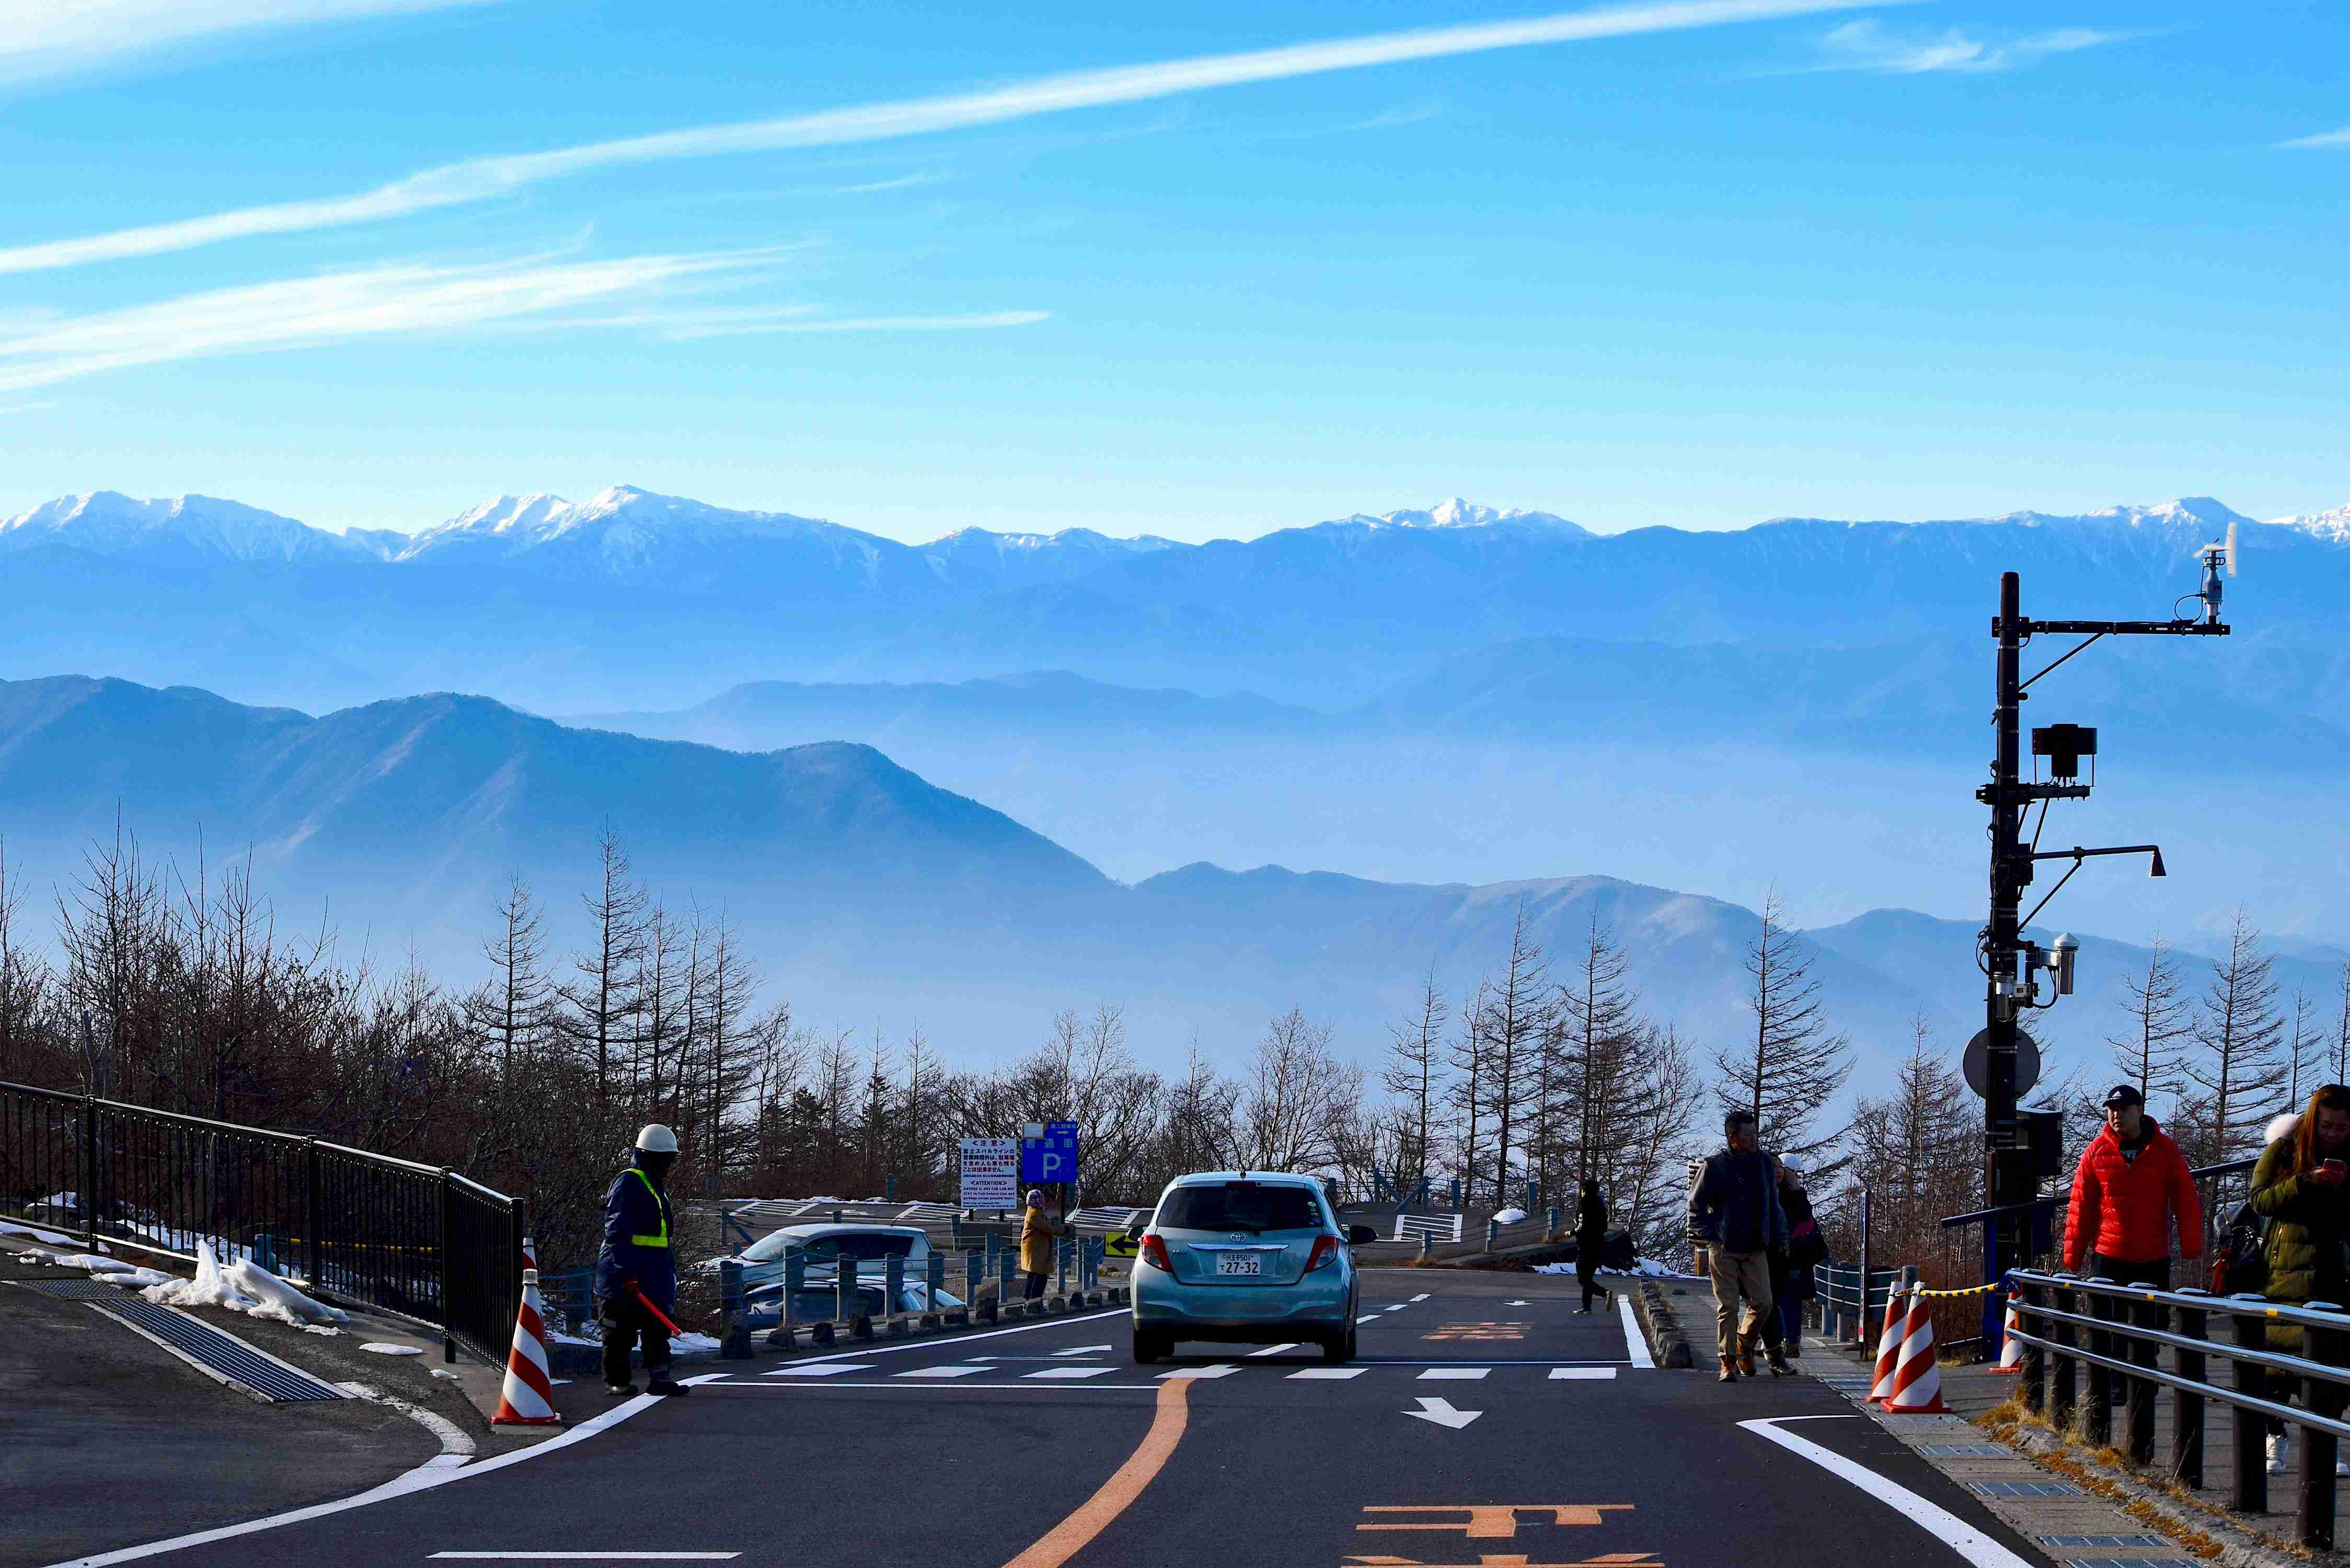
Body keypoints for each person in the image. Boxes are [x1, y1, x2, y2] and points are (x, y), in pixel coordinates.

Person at [2252, 1085, 2350, 1476]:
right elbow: (2260, 1199)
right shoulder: (2284, 1149)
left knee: (2331, 1364)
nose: (2334, 1135)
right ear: (2313, 1120)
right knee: (2279, 1363)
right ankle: (2275, 1435)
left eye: (2343, 1128)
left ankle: (2326, 1443)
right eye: (2328, 1126)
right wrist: (2305, 1181)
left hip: (2335, 1271)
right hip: (2284, 1269)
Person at [2063, 1084, 2203, 1290]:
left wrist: (2191, 1247)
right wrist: (2072, 1257)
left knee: (2152, 1321)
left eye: (2124, 1109)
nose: (2117, 1114)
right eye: (2112, 1109)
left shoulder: (2164, 1150)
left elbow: (2186, 1200)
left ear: (2139, 1111)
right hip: (2108, 1257)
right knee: (2106, 1322)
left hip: (2152, 1258)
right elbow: (2081, 1206)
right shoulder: (2096, 1151)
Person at [1689, 1109, 1788, 1382]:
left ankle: (1744, 1342)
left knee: (1764, 1303)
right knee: (1728, 1307)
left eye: (1755, 1133)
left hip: (1756, 1247)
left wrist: (1780, 1237)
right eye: (1748, 1134)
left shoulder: (1765, 1163)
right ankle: (1728, 1361)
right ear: (1734, 1138)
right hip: (1723, 1247)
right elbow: (1695, 1206)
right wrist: (1712, 1235)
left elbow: (1774, 1205)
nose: (1754, 1138)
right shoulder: (1715, 1165)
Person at [597, 1123, 687, 1398]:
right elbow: (617, 1231)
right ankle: (618, 1381)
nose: (670, 1166)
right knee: (618, 1331)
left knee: (657, 1328)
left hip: (653, 1275)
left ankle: (660, 1378)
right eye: (667, 1159)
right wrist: (626, 1272)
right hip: (624, 1275)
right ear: (654, 1157)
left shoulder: (653, 1185)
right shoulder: (629, 1183)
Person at [1764, 1152, 1827, 1361]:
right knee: (1778, 1300)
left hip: (1791, 1257)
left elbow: (1803, 1215)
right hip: (1787, 1256)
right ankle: (1782, 1341)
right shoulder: (1780, 1194)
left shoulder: (1791, 1196)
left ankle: (1786, 1342)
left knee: (1785, 1300)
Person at [1019, 1188, 1064, 1301]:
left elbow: (1044, 1224)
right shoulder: (1034, 1214)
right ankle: (1034, 1301)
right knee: (1040, 1276)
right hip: (1035, 1249)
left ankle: (1029, 1300)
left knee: (1034, 1275)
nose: (1043, 1200)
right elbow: (1047, 1229)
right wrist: (1064, 1229)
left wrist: (1051, 1222)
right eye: (1042, 1198)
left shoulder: (1034, 1211)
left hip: (1036, 1248)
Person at [1574, 1178, 1608, 1314]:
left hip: (1586, 1246)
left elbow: (1581, 1227)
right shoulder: (1600, 1205)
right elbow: (1604, 1227)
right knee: (1588, 1277)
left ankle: (1604, 1293)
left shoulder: (1584, 1204)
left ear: (1584, 1191)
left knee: (1583, 1279)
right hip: (1599, 1245)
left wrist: (1570, 1232)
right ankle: (1586, 1306)